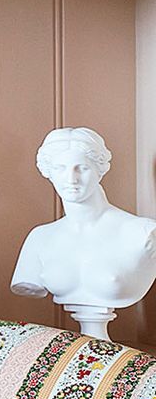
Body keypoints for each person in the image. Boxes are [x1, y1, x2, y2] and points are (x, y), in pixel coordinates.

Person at [11, 125, 156, 340]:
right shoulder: (40, 238)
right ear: (48, 173)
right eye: (60, 168)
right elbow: (26, 285)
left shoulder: (143, 232)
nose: (71, 179)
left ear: (99, 170)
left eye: (82, 168)